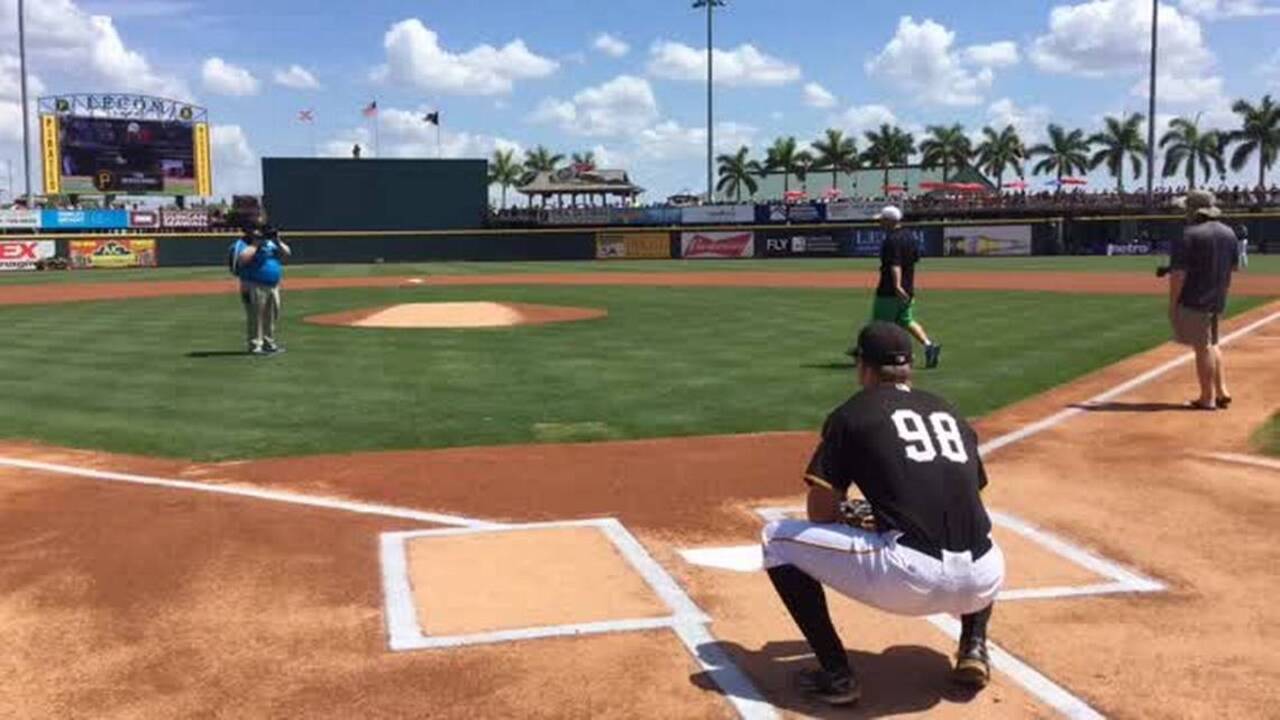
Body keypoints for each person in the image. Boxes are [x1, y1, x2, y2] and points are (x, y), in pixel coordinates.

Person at [763, 322, 1004, 706]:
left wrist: (854, 515)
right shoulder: (949, 410)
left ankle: (837, 674)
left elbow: (820, 512)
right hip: (985, 579)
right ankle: (974, 645)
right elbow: (967, 494)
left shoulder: (853, 414)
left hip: (909, 578)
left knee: (775, 539)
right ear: (908, 367)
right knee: (974, 527)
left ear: (864, 366)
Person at [1168, 190, 1239, 410]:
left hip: (1194, 297)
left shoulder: (1188, 234)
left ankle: (1206, 397)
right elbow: (1234, 267)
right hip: (1218, 295)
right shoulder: (1229, 233)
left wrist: (1173, 304)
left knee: (1203, 347)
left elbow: (1179, 275)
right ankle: (1221, 391)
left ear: (1193, 210)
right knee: (1213, 343)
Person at [869, 206, 942, 368]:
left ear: (890, 221)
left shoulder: (891, 239)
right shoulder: (910, 236)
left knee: (880, 325)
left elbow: (895, 265)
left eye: (882, 220)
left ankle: (889, 355)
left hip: (890, 290)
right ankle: (929, 346)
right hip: (908, 287)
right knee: (905, 320)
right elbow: (915, 258)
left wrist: (896, 285)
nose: (879, 223)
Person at [230, 217, 291, 355]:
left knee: (271, 316)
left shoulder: (270, 243)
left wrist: (278, 241)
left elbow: (287, 253)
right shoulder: (243, 243)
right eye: (258, 228)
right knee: (255, 316)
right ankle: (255, 346)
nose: (261, 231)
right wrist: (256, 244)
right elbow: (241, 260)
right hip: (253, 285)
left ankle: (269, 343)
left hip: (272, 286)